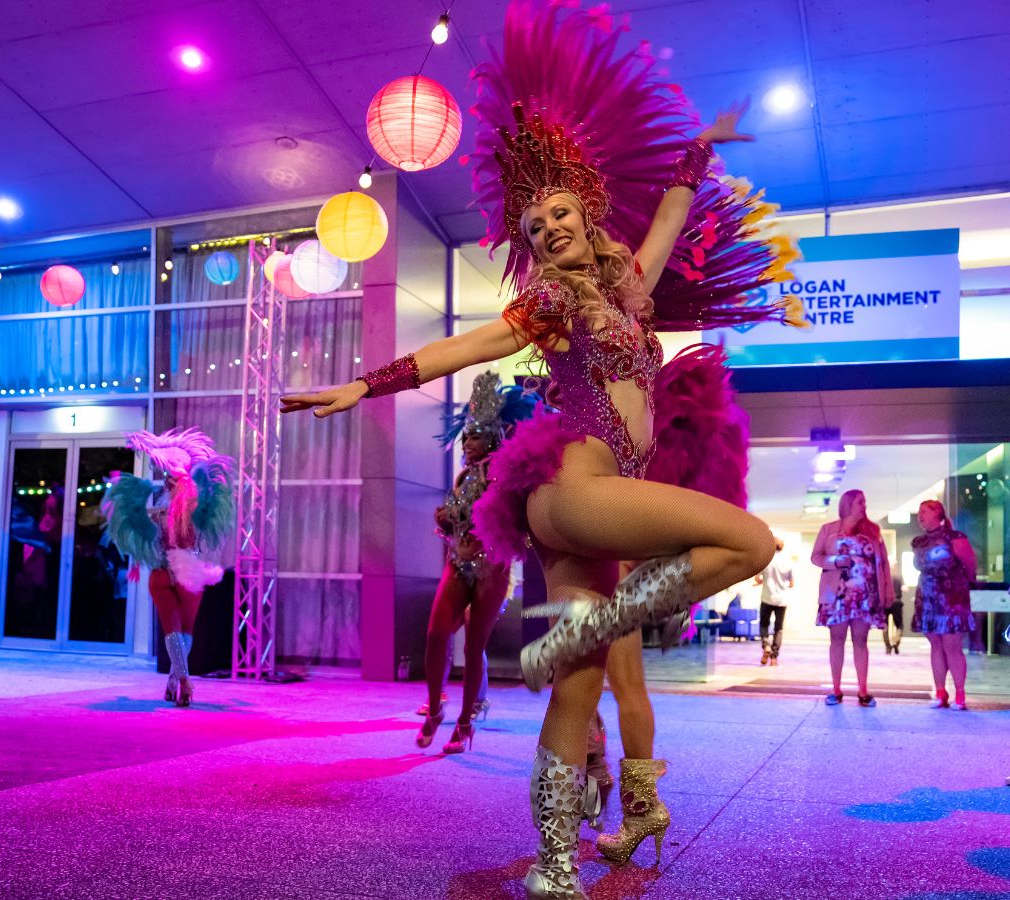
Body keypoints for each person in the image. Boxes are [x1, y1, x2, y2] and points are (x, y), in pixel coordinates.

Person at [281, 3, 802, 894]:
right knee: (749, 543)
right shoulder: (551, 305)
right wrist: (368, 382)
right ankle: (583, 646)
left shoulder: (632, 286)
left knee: (576, 687)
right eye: (533, 230)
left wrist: (705, 144)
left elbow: (675, 205)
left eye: (557, 214)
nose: (548, 231)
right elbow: (467, 349)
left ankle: (554, 866)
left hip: (593, 517)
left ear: (585, 207)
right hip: (574, 488)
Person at [418, 372, 535, 753]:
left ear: (494, 439)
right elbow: (457, 523)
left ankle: (466, 722)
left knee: (472, 647)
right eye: (465, 435)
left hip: (492, 568)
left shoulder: (500, 474)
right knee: (436, 634)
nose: (467, 443)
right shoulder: (463, 476)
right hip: (458, 563)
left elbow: (509, 517)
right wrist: (446, 523)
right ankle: (436, 709)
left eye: (475, 435)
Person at [104, 428, 234, 707]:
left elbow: (153, 534)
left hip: (163, 570)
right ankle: (180, 680)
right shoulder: (192, 506)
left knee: (172, 629)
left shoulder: (163, 507)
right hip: (187, 572)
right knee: (184, 630)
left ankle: (178, 679)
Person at [811, 489, 893, 708]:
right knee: (836, 640)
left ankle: (863, 690)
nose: (864, 506)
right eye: (860, 502)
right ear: (847, 504)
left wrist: (888, 590)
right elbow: (816, 557)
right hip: (836, 594)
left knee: (861, 641)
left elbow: (883, 563)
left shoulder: (873, 531)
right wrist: (836, 561)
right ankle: (836, 690)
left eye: (864, 502)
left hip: (865, 596)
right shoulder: (828, 530)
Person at [912, 499, 978, 710]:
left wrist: (962, 586)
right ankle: (940, 692)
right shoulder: (918, 542)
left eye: (925, 511)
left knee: (952, 646)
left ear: (937, 513)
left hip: (951, 598)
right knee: (936, 646)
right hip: (928, 596)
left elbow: (969, 564)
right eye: (919, 511)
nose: (920, 515)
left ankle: (960, 694)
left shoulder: (955, 538)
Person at [755, 539, 794, 665]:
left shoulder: (767, 561)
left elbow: (758, 578)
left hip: (767, 598)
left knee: (764, 624)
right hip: (782, 600)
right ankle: (774, 657)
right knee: (779, 628)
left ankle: (766, 645)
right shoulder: (788, 562)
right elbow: (792, 583)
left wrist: (763, 582)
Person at [883, 566, 905, 655]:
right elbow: (904, 587)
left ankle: (888, 647)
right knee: (899, 626)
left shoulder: (884, 575)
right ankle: (896, 642)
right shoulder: (898, 575)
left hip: (885, 602)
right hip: (897, 602)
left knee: (885, 625)